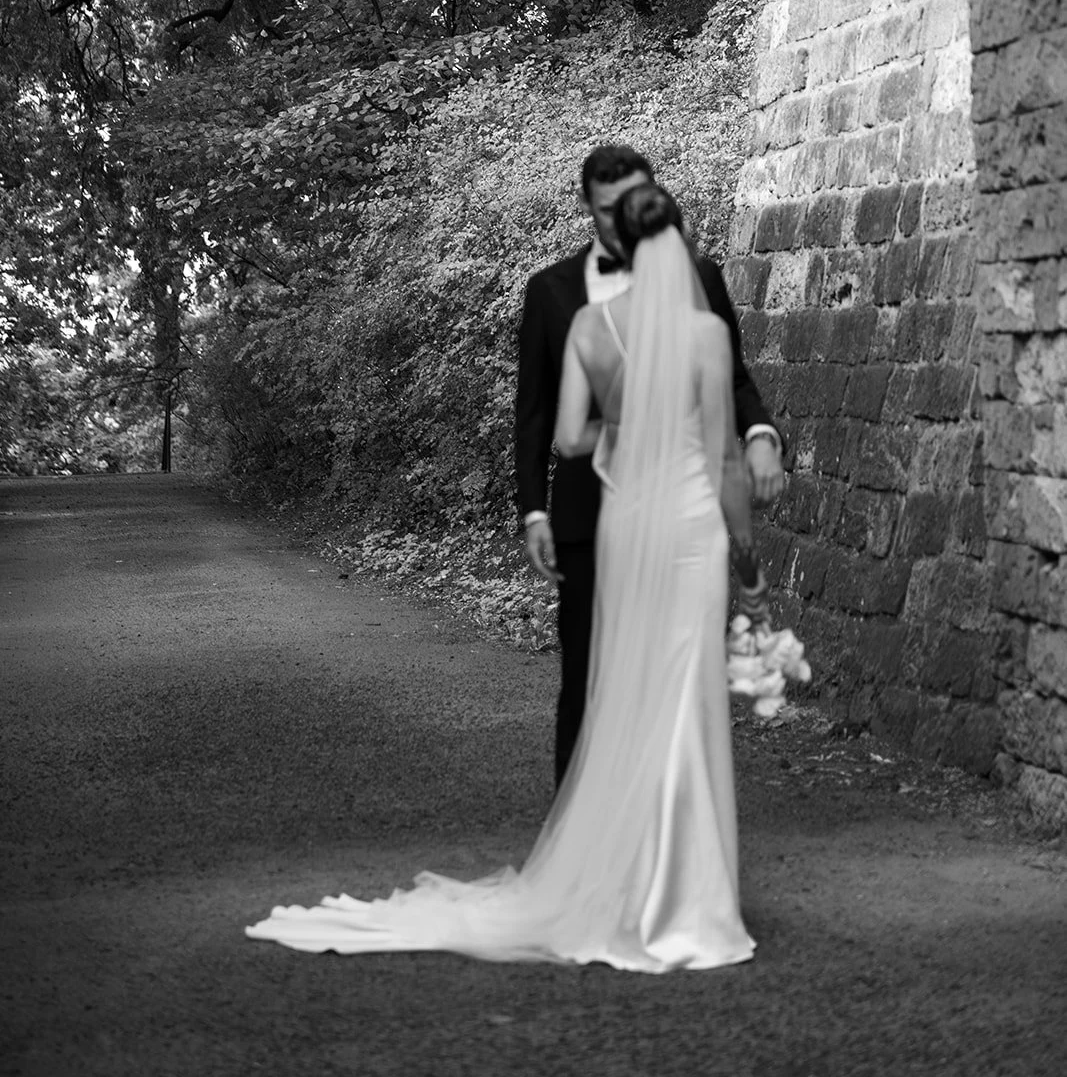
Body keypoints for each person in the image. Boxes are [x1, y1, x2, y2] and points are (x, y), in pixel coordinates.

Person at [247, 182, 759, 970]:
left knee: (626, 688)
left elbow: (564, 439)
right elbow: (724, 455)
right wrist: (744, 540)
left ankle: (618, 881)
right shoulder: (704, 335)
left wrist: (625, 423)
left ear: (617, 243)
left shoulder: (592, 325)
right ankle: (686, 895)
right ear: (680, 246)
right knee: (683, 695)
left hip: (625, 522)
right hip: (690, 524)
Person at [515, 144, 784, 785]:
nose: (620, 220)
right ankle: (578, 844)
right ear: (589, 208)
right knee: (584, 678)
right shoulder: (551, 291)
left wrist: (761, 432)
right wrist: (533, 510)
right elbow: (532, 412)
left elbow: (734, 383)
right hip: (590, 518)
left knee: (677, 675)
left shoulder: (704, 280)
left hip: (678, 515)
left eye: (630, 204)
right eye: (607, 209)